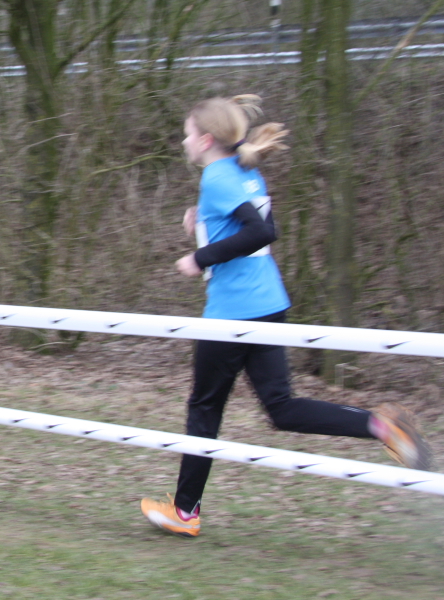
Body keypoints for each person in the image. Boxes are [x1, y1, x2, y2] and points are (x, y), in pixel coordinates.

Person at [140, 95, 430, 537]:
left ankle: (184, 513)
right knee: (281, 408)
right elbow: (250, 227)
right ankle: (380, 425)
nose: (183, 142)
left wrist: (199, 257)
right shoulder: (244, 169)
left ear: (206, 139)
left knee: (205, 408)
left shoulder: (217, 176)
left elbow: (261, 232)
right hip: (268, 302)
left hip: (232, 312)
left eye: (186, 134)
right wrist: (200, 225)